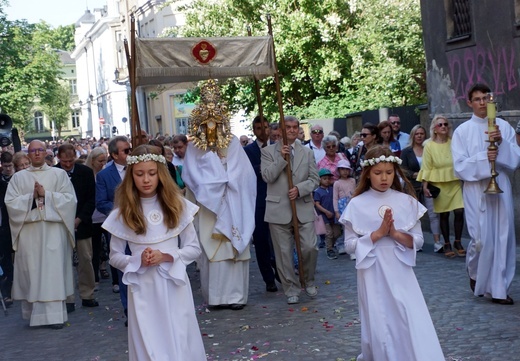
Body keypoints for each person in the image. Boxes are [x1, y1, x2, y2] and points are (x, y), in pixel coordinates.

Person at [339, 145, 445, 361]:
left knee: (406, 312)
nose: (384, 178)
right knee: (379, 317)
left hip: (399, 269)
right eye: (378, 173)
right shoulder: (356, 204)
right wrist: (377, 234)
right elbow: (349, 244)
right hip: (372, 269)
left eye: (388, 172)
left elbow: (418, 240)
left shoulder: (405, 202)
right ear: (368, 174)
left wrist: (395, 233)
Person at [103, 144, 206, 361]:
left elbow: (193, 248)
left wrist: (167, 256)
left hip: (173, 282)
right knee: (149, 338)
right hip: (142, 286)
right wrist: (137, 260)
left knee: (178, 334)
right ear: (131, 176)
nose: (146, 180)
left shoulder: (177, 206)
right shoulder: (124, 212)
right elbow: (115, 256)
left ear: (160, 174)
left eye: (151, 173)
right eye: (140, 174)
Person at [182, 80, 256, 310]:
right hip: (208, 208)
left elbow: (244, 174)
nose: (212, 129)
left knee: (233, 249)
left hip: (234, 204)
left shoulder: (233, 142)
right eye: (207, 124)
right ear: (200, 123)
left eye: (216, 123)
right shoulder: (195, 146)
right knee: (212, 252)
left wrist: (226, 178)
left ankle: (236, 297)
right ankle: (215, 298)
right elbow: (190, 176)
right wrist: (213, 180)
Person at [452, 83, 520, 305]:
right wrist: (484, 158)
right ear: (469, 102)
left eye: (486, 98)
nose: (482, 102)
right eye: (478, 99)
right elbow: (460, 166)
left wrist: (500, 142)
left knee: (503, 235)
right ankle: (474, 272)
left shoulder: (503, 127)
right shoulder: (462, 131)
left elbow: (515, 160)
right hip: (475, 188)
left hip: (500, 183)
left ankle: (500, 288)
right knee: (479, 238)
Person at [5, 140, 77, 329]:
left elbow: (71, 201)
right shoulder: (18, 178)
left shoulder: (59, 174)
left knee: (52, 273)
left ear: (46, 152)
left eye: (40, 150)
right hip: (29, 233)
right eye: (32, 150)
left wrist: (47, 194)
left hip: (54, 231)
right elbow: (10, 203)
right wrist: (32, 198)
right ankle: (33, 315)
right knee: (33, 272)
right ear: (28, 154)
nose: (36, 153)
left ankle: (54, 317)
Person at [262, 115, 320, 305]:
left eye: (295, 127)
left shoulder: (307, 152)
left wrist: (300, 189)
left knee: (310, 247)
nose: (292, 130)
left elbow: (314, 179)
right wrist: (281, 159)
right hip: (278, 209)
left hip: (301, 206)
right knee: (284, 253)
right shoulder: (268, 151)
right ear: (280, 130)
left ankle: (308, 280)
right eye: (288, 127)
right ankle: (291, 288)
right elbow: (267, 177)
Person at [56, 143, 98, 312]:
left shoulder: (85, 172)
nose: (67, 164)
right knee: (63, 262)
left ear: (75, 156)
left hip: (82, 222)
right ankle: (67, 298)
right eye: (64, 161)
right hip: (60, 224)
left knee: (86, 259)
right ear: (59, 158)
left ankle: (87, 294)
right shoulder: (54, 173)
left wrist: (79, 218)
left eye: (70, 160)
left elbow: (91, 199)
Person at [417, 116, 465, 259]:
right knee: (443, 214)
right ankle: (447, 243)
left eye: (445, 124)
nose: (443, 126)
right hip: (439, 183)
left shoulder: (453, 142)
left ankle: (458, 241)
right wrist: (425, 185)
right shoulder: (429, 146)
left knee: (459, 211)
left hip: (454, 181)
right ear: (435, 129)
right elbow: (427, 166)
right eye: (440, 125)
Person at [244, 115, 278, 292]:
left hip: (277, 198)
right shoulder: (248, 151)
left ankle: (280, 268)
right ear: (254, 130)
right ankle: (268, 277)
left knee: (279, 238)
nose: (263, 131)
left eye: (265, 127)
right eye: (258, 128)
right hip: (258, 200)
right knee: (261, 240)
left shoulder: (278, 147)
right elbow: (249, 173)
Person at [400, 124, 442, 252]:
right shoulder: (406, 151)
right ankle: (415, 241)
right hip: (413, 186)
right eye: (417, 134)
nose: (419, 136)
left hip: (429, 184)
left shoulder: (429, 148)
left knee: (433, 214)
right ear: (413, 135)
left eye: (421, 133)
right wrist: (415, 174)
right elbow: (402, 169)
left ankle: (437, 242)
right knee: (414, 215)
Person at [85, 147, 108, 287]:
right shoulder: (88, 175)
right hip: (92, 217)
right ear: (92, 161)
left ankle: (104, 268)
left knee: (107, 246)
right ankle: (94, 277)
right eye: (100, 161)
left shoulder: (105, 174)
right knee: (93, 248)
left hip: (105, 216)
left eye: (104, 161)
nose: (102, 164)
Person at [314, 168, 341, 260]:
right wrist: (326, 211)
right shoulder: (317, 192)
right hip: (324, 216)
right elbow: (317, 204)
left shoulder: (333, 189)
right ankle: (329, 249)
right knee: (328, 233)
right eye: (324, 178)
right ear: (320, 180)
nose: (327, 180)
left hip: (334, 214)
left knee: (337, 232)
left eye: (329, 178)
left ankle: (332, 245)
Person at [333, 159, 356, 259]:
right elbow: (335, 197)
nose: (345, 171)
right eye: (342, 169)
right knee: (345, 228)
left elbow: (355, 192)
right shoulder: (337, 183)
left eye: (346, 169)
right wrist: (336, 211)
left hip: (352, 204)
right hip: (342, 206)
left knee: (354, 226)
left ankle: (354, 248)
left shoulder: (352, 181)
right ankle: (346, 246)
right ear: (338, 171)